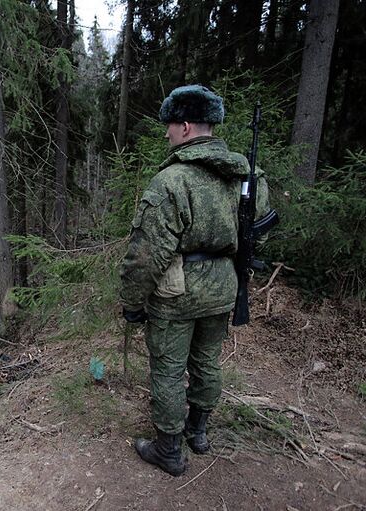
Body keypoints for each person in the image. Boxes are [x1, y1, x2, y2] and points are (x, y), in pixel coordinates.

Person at [119, 85, 269, 476]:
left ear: (185, 126)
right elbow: (259, 230)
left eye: (170, 125)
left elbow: (147, 254)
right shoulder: (244, 173)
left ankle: (169, 449)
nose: (167, 133)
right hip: (224, 284)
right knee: (206, 360)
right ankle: (198, 432)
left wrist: (132, 302)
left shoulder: (172, 181)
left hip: (177, 290)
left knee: (168, 368)